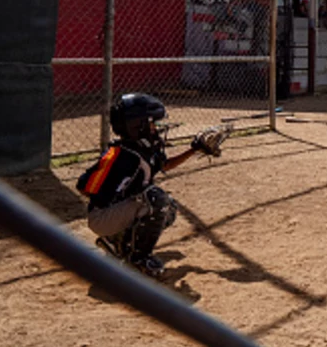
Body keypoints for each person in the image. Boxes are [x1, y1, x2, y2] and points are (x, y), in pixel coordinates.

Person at [76, 94, 224, 278]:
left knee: (169, 208)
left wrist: (194, 150)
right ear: (138, 126)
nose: (156, 128)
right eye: (152, 123)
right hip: (101, 217)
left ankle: (117, 242)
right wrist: (114, 202)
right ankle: (138, 259)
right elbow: (83, 185)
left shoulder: (143, 149)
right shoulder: (120, 155)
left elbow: (165, 165)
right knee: (155, 199)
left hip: (115, 213)